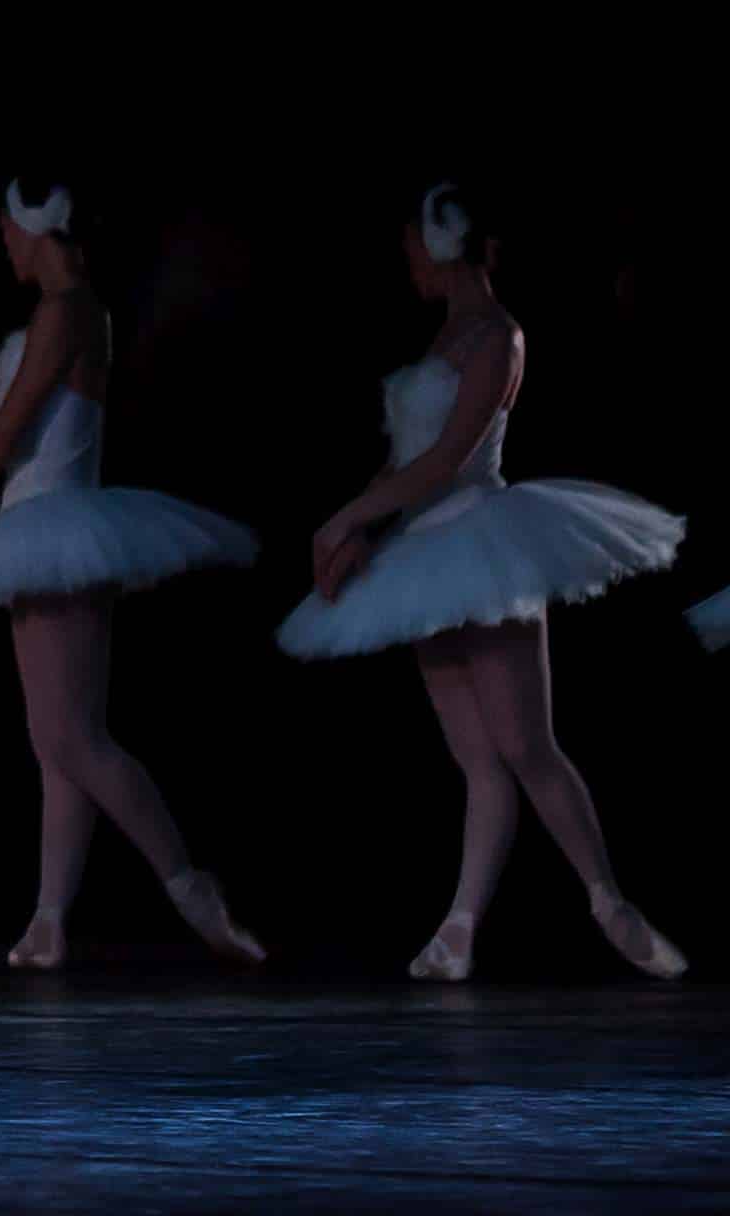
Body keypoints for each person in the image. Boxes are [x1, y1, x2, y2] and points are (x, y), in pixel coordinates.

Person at [278, 183, 687, 982]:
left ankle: (609, 902)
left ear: (440, 245)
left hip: (483, 542)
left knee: (527, 745)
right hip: (425, 556)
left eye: (410, 249)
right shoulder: (444, 336)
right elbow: (403, 463)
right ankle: (458, 931)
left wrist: (349, 516)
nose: (407, 265)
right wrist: (361, 528)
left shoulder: (500, 335)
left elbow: (449, 460)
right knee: (477, 758)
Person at [0, 174, 264, 971]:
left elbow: (6, 433)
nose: (6, 247)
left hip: (60, 524)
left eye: (10, 234)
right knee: (55, 740)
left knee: (75, 737)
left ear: (39, 230)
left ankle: (192, 889)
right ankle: (49, 921)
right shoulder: (66, 309)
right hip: (38, 524)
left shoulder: (68, 310)